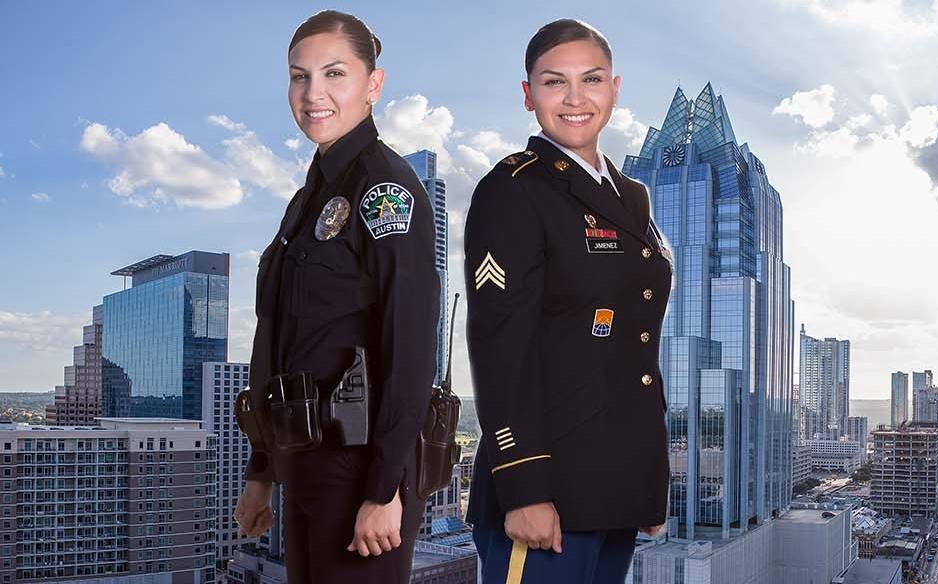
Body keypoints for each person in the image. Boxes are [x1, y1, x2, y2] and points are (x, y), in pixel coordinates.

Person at [464, 18, 673, 584]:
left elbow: (636, 352)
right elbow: (500, 346)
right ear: (528, 95)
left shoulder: (631, 196)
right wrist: (524, 487)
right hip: (544, 493)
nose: (576, 98)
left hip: (614, 489)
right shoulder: (513, 188)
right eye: (555, 82)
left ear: (614, 89)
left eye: (592, 79)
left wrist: (648, 482)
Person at [232, 10, 439, 584]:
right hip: (303, 466)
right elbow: (277, 343)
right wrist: (261, 471)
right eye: (299, 77)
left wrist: (384, 489)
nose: (313, 93)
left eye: (334, 74)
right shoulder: (306, 203)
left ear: (374, 85)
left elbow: (410, 348)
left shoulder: (385, 190)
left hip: (359, 475)